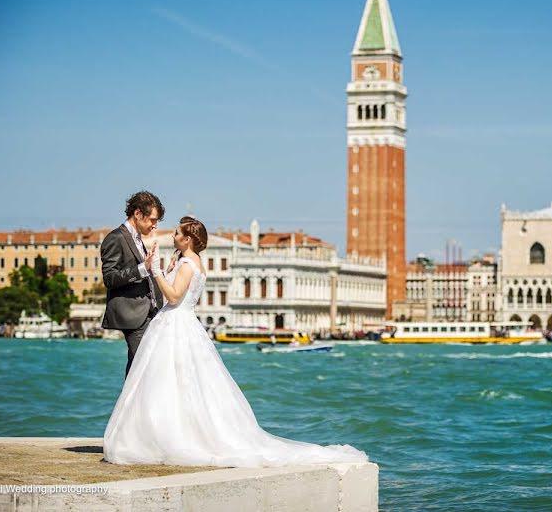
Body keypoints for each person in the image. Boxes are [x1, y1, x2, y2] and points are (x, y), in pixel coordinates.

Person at [103, 216, 367, 467]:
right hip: (182, 325)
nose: (172, 236)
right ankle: (170, 433)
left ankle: (167, 436)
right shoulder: (192, 263)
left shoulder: (187, 264)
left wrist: (157, 271)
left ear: (188, 240)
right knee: (177, 383)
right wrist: (168, 269)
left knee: (167, 382)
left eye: (176, 233)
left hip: (174, 324)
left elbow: (172, 298)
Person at [100, 191, 165, 377]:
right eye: (152, 219)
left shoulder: (137, 239)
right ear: (137, 214)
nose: (155, 225)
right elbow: (109, 278)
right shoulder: (115, 238)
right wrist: (142, 268)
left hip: (148, 311)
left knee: (138, 367)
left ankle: (129, 406)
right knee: (143, 367)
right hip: (132, 314)